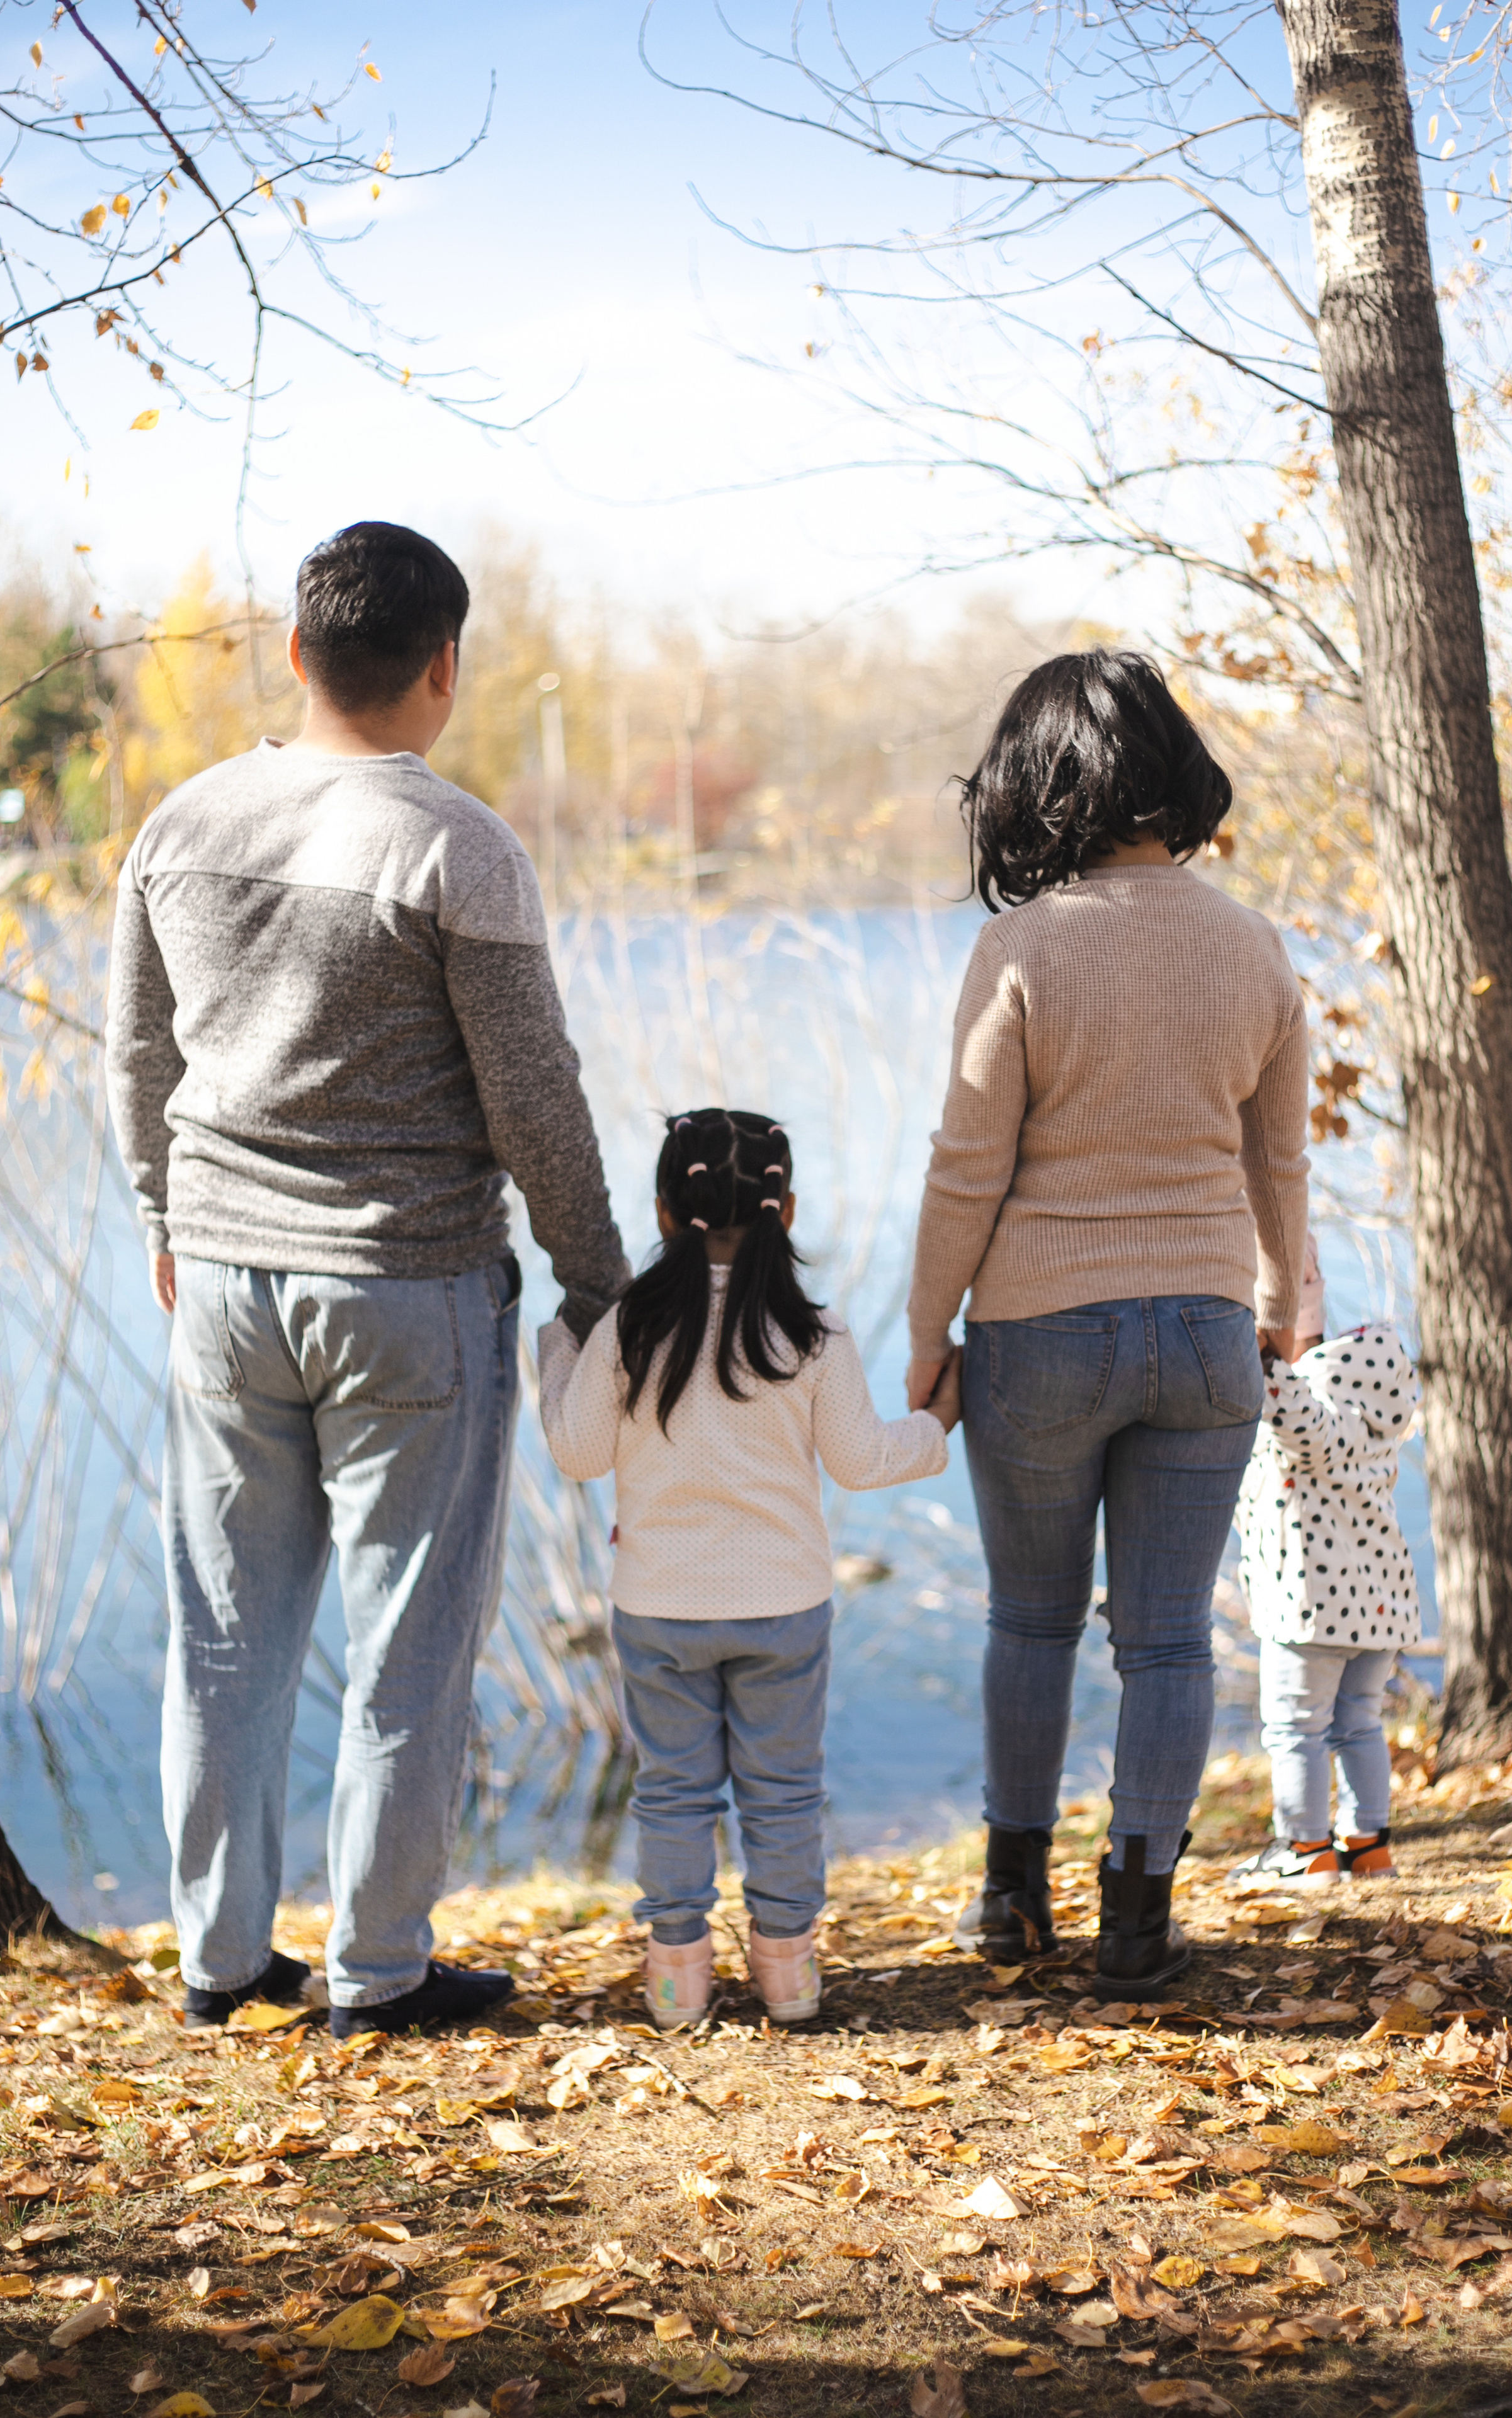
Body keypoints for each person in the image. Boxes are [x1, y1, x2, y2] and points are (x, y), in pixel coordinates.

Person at [105, 521, 629, 2038]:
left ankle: (219, 1961)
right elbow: (535, 1099)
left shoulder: (180, 824)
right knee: (409, 1640)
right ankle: (378, 1973)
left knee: (222, 1631)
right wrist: (597, 1282)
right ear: (444, 666)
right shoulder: (453, 842)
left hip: (219, 1278)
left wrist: (162, 1208)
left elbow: (137, 1053)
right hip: (408, 1287)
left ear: (294, 650)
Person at [906, 649, 1309, 1999]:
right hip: (1204, 1334)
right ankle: (1138, 1924)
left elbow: (967, 1162)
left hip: (1039, 1331)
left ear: (1037, 782)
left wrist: (925, 1334)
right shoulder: (1250, 944)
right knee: (1170, 1639)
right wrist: (1282, 1303)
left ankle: (1009, 1899)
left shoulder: (1021, 946)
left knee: (1030, 1623)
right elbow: (1278, 1165)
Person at [538, 1108, 960, 2030]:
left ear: (660, 1213)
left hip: (658, 1610)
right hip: (785, 1607)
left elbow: (577, 1452)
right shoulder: (812, 1334)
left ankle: (678, 1982)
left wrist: (553, 1350)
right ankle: (789, 1977)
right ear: (788, 1210)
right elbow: (862, 1461)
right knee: (783, 1791)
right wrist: (940, 1425)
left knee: (674, 1791)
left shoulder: (627, 1330)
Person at [1231, 1233, 1422, 1888]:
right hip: (1381, 1609)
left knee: (1293, 1730)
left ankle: (1306, 1851)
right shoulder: (1375, 1412)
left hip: (1311, 1605)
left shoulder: (1321, 1411)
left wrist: (1261, 1359)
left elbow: (1302, 1426)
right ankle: (1366, 1846)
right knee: (1356, 1725)